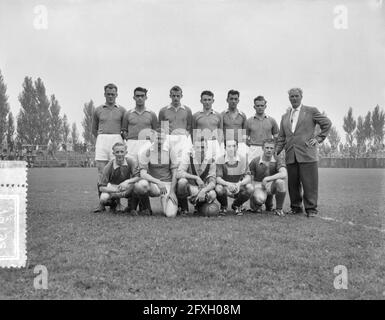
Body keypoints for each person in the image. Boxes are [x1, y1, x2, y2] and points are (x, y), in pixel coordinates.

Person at [276, 88, 332, 217]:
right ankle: (296, 207)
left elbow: (327, 123)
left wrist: (318, 138)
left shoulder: (311, 111)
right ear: (289, 98)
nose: (294, 98)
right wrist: (277, 151)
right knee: (293, 184)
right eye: (291, 96)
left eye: (296, 96)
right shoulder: (285, 116)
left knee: (309, 183)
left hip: (307, 154)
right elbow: (281, 137)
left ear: (301, 97)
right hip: (291, 154)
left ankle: (311, 209)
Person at [121, 87, 157, 214]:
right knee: (133, 175)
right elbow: (124, 131)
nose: (140, 98)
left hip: (146, 145)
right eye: (137, 96)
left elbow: (155, 132)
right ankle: (131, 207)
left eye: (142, 95)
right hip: (131, 145)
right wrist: (130, 141)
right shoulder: (128, 113)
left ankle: (145, 207)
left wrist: (149, 144)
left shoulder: (151, 114)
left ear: (146, 97)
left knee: (144, 175)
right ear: (134, 97)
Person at [158, 85, 193, 214]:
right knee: (171, 170)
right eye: (173, 96)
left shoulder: (187, 110)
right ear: (170, 96)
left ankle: (183, 206)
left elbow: (189, 127)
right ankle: (173, 202)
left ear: (181, 96)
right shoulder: (163, 111)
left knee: (181, 170)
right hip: (169, 140)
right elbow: (162, 128)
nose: (176, 98)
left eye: (178, 96)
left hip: (183, 141)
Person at [92, 83, 126, 211]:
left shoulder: (122, 110)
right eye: (108, 94)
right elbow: (93, 130)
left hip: (116, 139)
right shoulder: (98, 110)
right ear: (104, 94)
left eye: (113, 94)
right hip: (102, 140)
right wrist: (103, 138)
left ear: (116, 95)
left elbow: (124, 129)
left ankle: (116, 203)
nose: (110, 96)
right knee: (102, 173)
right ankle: (101, 203)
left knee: (116, 173)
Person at [138, 129, 179, 217]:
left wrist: (172, 191)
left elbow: (175, 172)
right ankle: (146, 208)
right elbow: (143, 174)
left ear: (165, 139)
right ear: (153, 138)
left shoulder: (171, 150)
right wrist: (158, 182)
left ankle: (169, 202)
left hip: (167, 184)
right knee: (141, 185)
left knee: (170, 215)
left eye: (161, 138)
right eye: (157, 138)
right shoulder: (146, 151)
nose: (159, 141)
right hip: (154, 185)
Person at [96, 142, 141, 214]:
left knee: (138, 186)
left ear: (126, 152)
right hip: (114, 189)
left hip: (127, 187)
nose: (120, 154)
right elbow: (101, 187)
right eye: (117, 152)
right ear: (113, 153)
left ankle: (132, 208)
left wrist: (127, 182)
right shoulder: (108, 166)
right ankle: (114, 204)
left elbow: (138, 177)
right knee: (103, 198)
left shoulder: (131, 161)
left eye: (122, 152)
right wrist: (115, 190)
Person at [176, 137, 217, 215]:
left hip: (203, 189)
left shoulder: (211, 160)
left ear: (207, 148)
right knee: (182, 182)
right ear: (193, 148)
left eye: (202, 147)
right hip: (190, 188)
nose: (200, 149)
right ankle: (184, 208)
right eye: (197, 147)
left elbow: (212, 182)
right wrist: (196, 177)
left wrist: (203, 191)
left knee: (212, 194)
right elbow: (179, 174)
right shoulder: (188, 157)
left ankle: (199, 207)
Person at [249, 139, 287, 216]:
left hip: (270, 186)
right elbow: (250, 180)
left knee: (281, 182)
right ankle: (257, 204)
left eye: (271, 148)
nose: (269, 150)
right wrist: (255, 190)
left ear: (274, 149)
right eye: (267, 148)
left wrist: (267, 179)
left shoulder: (277, 160)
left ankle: (279, 209)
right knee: (260, 199)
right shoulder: (255, 161)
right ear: (263, 148)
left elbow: (284, 173)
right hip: (258, 186)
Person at [215, 139, 253, 216]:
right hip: (226, 187)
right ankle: (224, 206)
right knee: (218, 188)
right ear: (225, 148)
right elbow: (218, 178)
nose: (232, 148)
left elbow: (248, 177)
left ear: (237, 147)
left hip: (238, 186)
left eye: (234, 146)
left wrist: (239, 184)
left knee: (250, 188)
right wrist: (228, 184)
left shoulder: (243, 159)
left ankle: (236, 205)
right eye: (229, 146)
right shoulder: (220, 159)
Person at [192, 90, 223, 161]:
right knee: (201, 166)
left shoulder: (218, 115)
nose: (207, 102)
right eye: (205, 100)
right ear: (201, 101)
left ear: (213, 101)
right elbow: (193, 132)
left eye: (209, 100)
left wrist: (219, 147)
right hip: (200, 145)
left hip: (214, 144)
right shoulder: (195, 115)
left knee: (214, 166)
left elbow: (220, 132)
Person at [246, 96, 279, 161]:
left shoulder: (272, 120)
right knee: (253, 170)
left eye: (262, 105)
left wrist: (273, 148)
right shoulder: (248, 121)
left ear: (265, 106)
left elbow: (277, 137)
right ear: (254, 107)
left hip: (268, 149)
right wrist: (252, 146)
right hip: (254, 150)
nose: (260, 107)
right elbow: (244, 138)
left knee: (268, 169)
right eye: (258, 106)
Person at [221, 90, 248, 158]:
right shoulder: (222, 115)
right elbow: (220, 132)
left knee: (240, 166)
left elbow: (245, 133)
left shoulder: (243, 115)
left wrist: (243, 145)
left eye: (235, 99)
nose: (233, 101)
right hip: (226, 146)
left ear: (238, 100)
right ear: (227, 100)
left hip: (239, 146)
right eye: (231, 99)